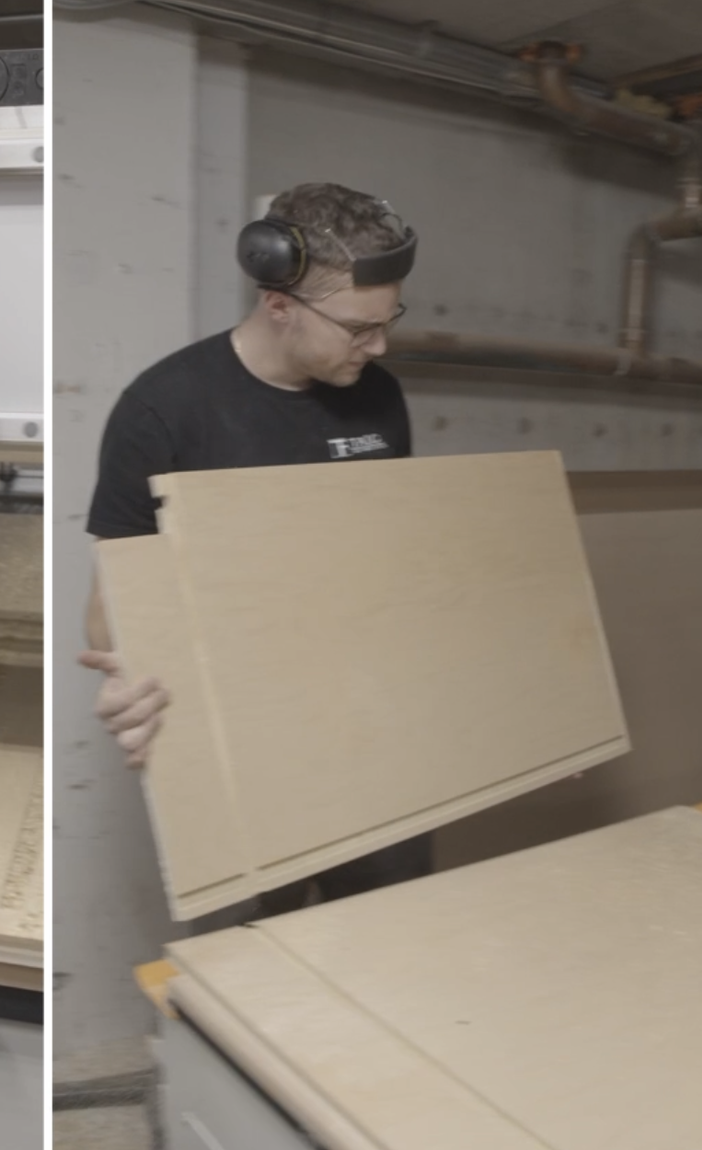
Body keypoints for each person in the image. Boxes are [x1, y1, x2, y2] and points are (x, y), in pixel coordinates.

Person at [76, 182, 426, 915]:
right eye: (359, 328)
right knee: (250, 974)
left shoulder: (379, 397)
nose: (379, 345)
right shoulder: (164, 410)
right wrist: (131, 674)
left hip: (373, 734)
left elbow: (397, 565)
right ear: (279, 305)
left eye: (387, 321)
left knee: (397, 943)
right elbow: (114, 608)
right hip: (241, 749)